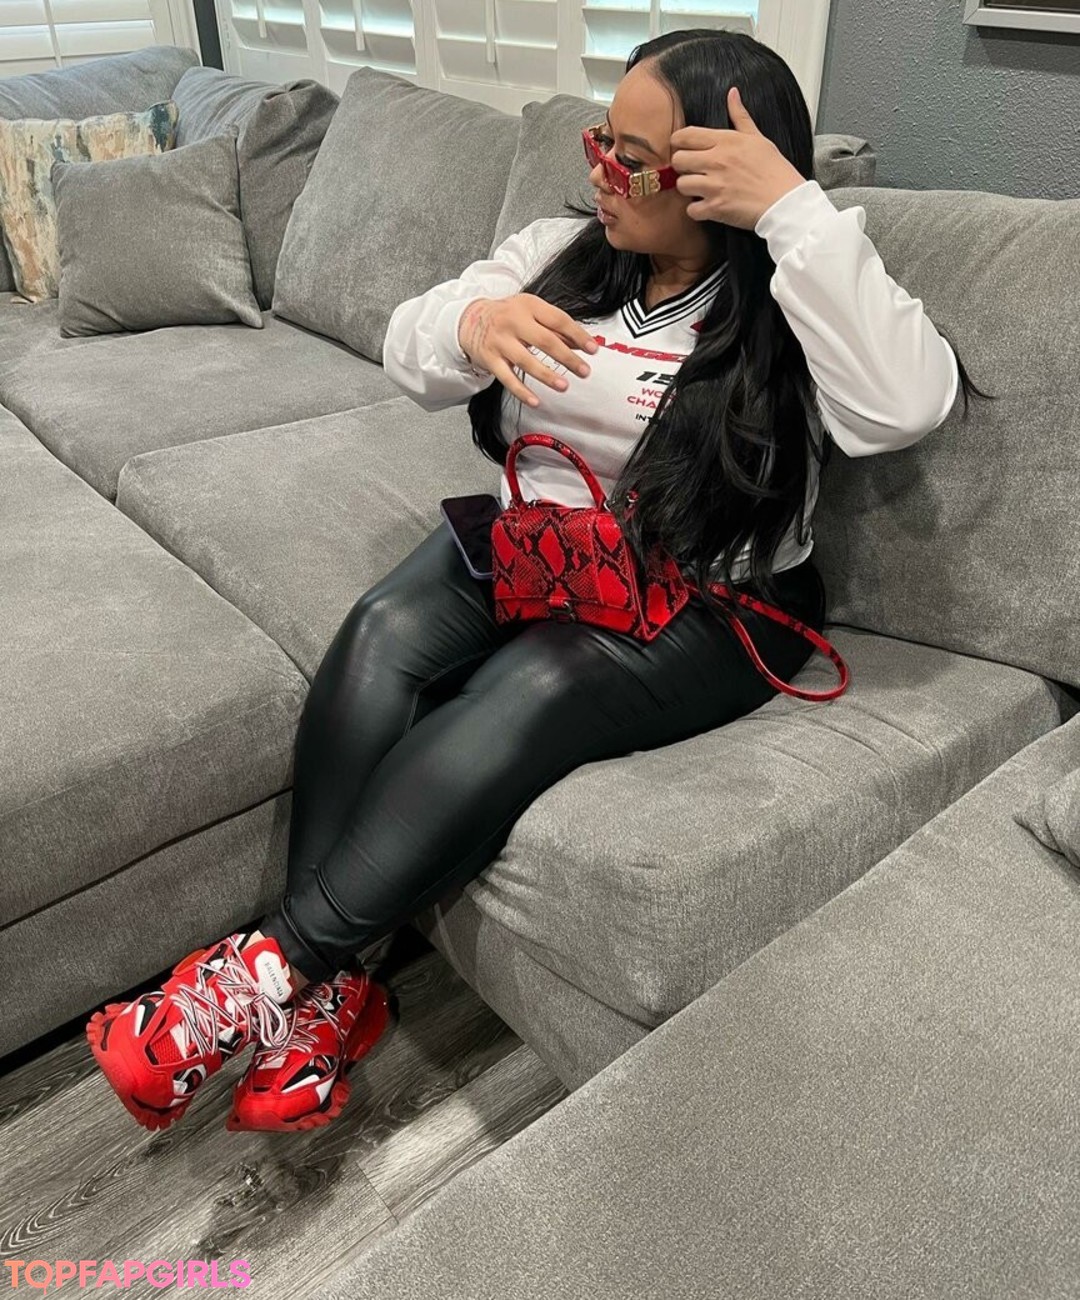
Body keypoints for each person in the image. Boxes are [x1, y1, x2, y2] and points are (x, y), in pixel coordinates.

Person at [86, 28, 986, 1134]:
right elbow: (410, 351)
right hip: (544, 543)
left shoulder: (794, 292)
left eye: (632, 159)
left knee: (531, 689)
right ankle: (325, 997)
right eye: (602, 139)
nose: (600, 170)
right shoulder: (564, 249)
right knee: (381, 631)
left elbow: (904, 406)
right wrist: (473, 323)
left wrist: (792, 211)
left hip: (711, 598)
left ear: (718, 178)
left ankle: (266, 974)